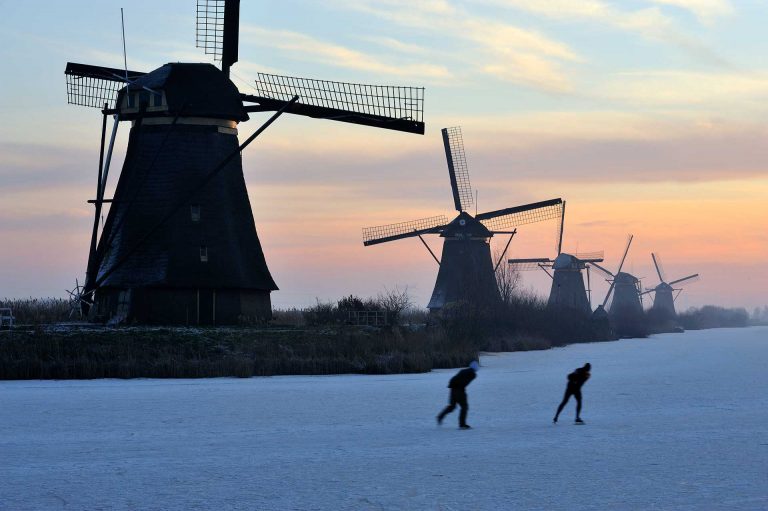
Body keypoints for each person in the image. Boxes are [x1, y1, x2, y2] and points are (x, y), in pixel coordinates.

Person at [437, 360, 479, 429]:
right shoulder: (472, 374)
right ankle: (462, 424)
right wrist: (462, 391)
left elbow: (456, 379)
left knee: (452, 406)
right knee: (464, 407)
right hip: (459, 390)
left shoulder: (463, 370)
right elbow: (464, 382)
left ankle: (440, 416)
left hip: (452, 389)